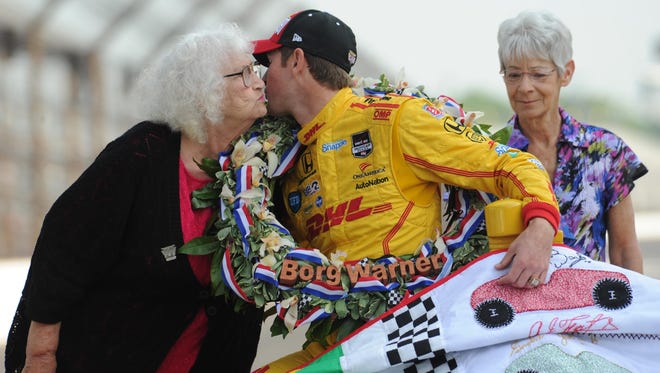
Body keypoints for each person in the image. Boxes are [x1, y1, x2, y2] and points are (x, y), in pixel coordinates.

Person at [251, 9, 560, 370]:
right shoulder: (282, 162)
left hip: (410, 333)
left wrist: (541, 227)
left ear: (297, 60)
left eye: (267, 63)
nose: (261, 78)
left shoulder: (396, 117)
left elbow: (511, 163)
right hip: (336, 341)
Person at [5, 24, 266, 373]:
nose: (259, 82)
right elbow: (64, 249)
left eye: (256, 70)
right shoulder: (141, 155)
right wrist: (39, 356)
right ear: (208, 95)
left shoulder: (258, 162)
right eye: (245, 74)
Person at [496, 10, 647, 272]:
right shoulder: (490, 154)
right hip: (513, 309)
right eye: (514, 75)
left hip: (594, 309)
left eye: (539, 74)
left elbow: (624, 251)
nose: (525, 87)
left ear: (566, 73)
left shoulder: (606, 152)